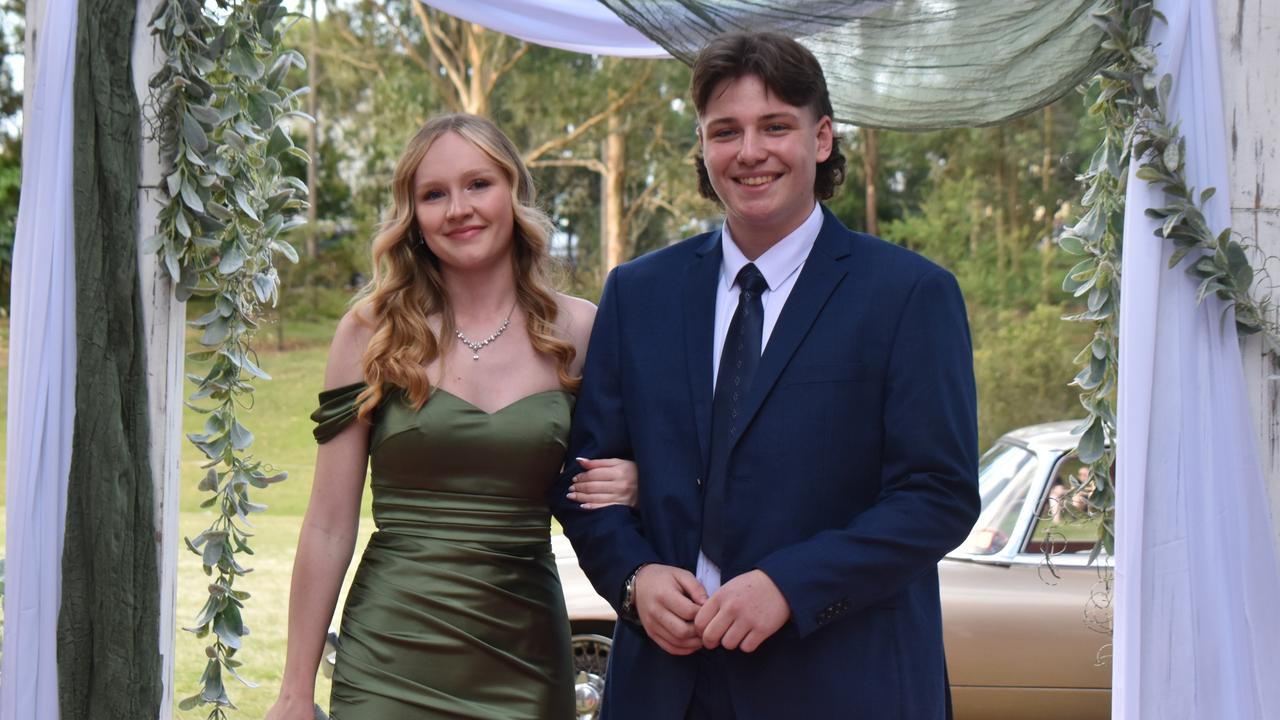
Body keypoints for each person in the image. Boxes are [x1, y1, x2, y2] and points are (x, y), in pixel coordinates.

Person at [551, 32, 981, 719]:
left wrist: (788, 585)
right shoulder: (638, 294)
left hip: (843, 683)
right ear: (703, 147)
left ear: (821, 138)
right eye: (725, 131)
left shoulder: (909, 296)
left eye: (775, 126)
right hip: (666, 688)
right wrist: (633, 580)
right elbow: (585, 480)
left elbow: (938, 496)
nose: (749, 151)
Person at [265, 114, 637, 720]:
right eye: (433, 194)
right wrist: (293, 690)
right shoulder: (371, 333)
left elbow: (625, 470)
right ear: (413, 218)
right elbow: (329, 524)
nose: (457, 208)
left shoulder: (580, 330)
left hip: (526, 655)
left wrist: (636, 480)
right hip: (390, 658)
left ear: (513, 191)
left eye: (478, 184)